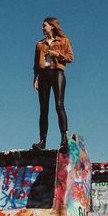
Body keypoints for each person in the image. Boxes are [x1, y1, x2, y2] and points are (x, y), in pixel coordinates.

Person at [32, 16, 73, 150]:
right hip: (43, 75)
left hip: (57, 73)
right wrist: (35, 78)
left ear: (51, 26)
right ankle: (42, 141)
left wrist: (56, 54)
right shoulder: (39, 44)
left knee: (59, 105)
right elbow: (35, 64)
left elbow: (70, 58)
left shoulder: (64, 41)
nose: (42, 28)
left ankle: (64, 138)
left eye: (44, 25)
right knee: (43, 109)